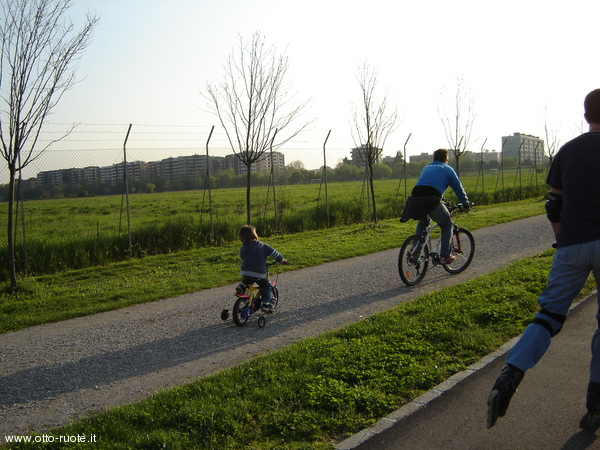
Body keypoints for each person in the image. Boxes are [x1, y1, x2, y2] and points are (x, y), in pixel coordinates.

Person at [487, 88, 600, 429]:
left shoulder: (567, 150)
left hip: (571, 245)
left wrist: (562, 239)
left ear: (585, 117)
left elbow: (553, 203)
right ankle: (595, 404)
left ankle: (511, 373)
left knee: (548, 315)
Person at [400, 148, 469, 264]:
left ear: (434, 158)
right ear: (446, 159)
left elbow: (428, 183)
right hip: (432, 199)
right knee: (447, 225)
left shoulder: (427, 167)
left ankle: (415, 251)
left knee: (422, 223)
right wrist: (465, 203)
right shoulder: (448, 169)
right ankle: (445, 255)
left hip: (415, 198)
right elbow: (458, 188)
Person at [236, 224, 289, 312]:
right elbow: (275, 254)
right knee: (265, 286)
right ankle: (265, 304)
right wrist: (282, 261)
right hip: (259, 272)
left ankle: (242, 286)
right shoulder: (262, 246)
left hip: (245, 271)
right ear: (254, 234)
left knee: (248, 279)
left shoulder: (244, 247)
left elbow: (242, 258)